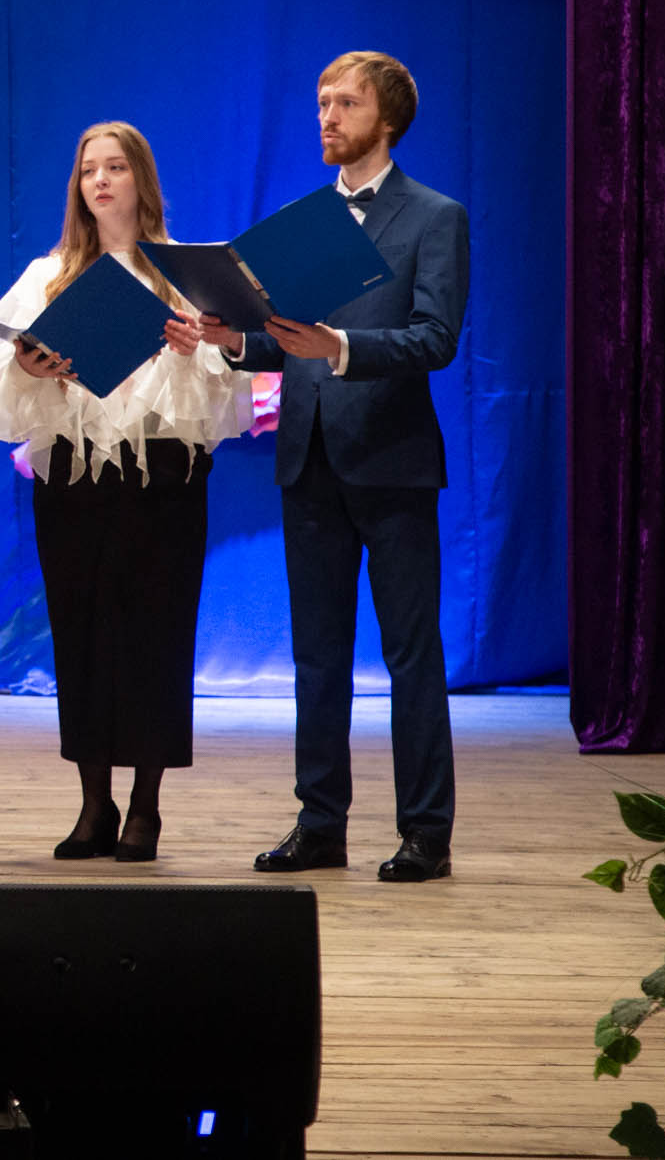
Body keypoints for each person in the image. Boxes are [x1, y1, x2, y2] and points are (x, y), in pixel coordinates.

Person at [201, 53, 469, 884]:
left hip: (391, 461)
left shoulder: (435, 216)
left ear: (385, 119)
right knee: (317, 656)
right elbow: (286, 342)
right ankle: (320, 822)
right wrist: (233, 342)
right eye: (321, 101)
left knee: (411, 655)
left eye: (345, 103)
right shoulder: (306, 221)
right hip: (309, 460)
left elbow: (436, 338)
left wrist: (343, 346)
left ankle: (426, 830)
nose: (326, 116)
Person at [0, 122, 249, 864]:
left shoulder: (183, 273)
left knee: (155, 634)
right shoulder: (50, 273)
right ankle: (94, 803)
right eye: (89, 169)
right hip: (74, 480)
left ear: (141, 181)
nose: (100, 180)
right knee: (82, 633)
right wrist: (29, 365)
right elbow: (0, 381)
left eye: (115, 167)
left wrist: (197, 350)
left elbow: (228, 392)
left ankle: (146, 806)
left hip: (161, 479)